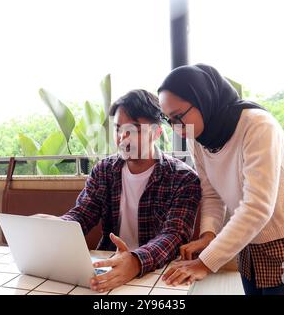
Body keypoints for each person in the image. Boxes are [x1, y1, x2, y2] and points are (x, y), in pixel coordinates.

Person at [158, 64, 284, 295]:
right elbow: (212, 193)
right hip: (252, 238)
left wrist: (205, 263)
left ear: (203, 98)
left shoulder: (257, 125)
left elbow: (257, 207)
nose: (176, 128)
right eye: (169, 120)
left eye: (179, 117)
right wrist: (208, 236)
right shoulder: (198, 137)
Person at [36, 89, 201, 293]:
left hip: (159, 271)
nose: (123, 137)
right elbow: (83, 214)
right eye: (118, 129)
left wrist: (135, 261)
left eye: (135, 129)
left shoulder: (183, 178)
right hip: (109, 264)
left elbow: (174, 235)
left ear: (157, 133)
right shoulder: (104, 170)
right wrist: (59, 226)